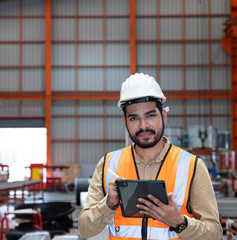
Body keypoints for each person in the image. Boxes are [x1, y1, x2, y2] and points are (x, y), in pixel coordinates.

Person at [78, 73, 222, 240]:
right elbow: (85, 229)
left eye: (150, 115)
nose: (143, 125)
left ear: (164, 116)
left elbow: (215, 234)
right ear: (125, 122)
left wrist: (179, 222)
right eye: (134, 118)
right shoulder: (108, 165)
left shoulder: (192, 166)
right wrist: (108, 204)